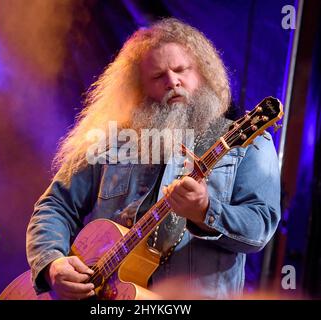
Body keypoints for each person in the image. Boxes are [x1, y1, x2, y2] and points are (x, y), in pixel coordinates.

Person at [26, 18, 281, 300]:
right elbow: (56, 204)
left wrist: (205, 210)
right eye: (158, 76)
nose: (173, 81)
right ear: (140, 88)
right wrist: (52, 263)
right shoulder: (112, 142)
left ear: (204, 71)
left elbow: (260, 227)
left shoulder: (247, 141)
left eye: (182, 69)